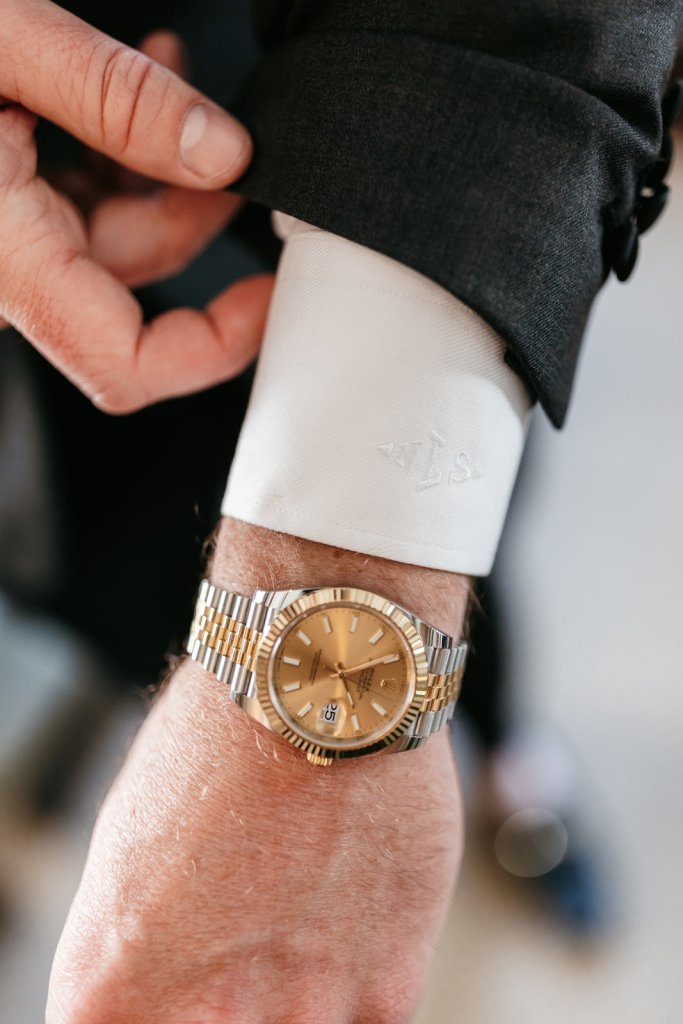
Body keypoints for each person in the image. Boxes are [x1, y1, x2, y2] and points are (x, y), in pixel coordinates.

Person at [0, 2, 680, 1021]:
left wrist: (296, 748)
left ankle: (513, 765)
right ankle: (144, 712)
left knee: (472, 586)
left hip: (313, 180)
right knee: (101, 580)